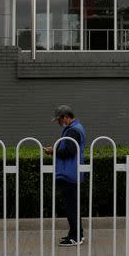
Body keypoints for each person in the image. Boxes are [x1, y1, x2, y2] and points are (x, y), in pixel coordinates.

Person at [43, 105, 86, 247]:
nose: (59, 123)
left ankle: (76, 236)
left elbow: (69, 151)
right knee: (73, 206)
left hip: (69, 174)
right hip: (71, 173)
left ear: (66, 117)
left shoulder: (72, 131)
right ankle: (75, 233)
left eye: (59, 120)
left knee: (71, 207)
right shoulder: (75, 128)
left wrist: (53, 150)